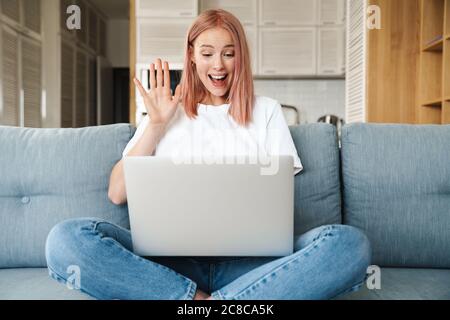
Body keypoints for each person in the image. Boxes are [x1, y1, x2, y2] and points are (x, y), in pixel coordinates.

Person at [45, 9, 371, 300]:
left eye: (229, 54)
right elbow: (117, 193)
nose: (218, 65)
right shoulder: (164, 114)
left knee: (349, 244)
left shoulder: (268, 112)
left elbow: (275, 202)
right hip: (171, 265)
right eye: (207, 53)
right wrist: (156, 125)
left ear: (240, 57)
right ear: (191, 56)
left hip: (251, 266)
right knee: (66, 239)